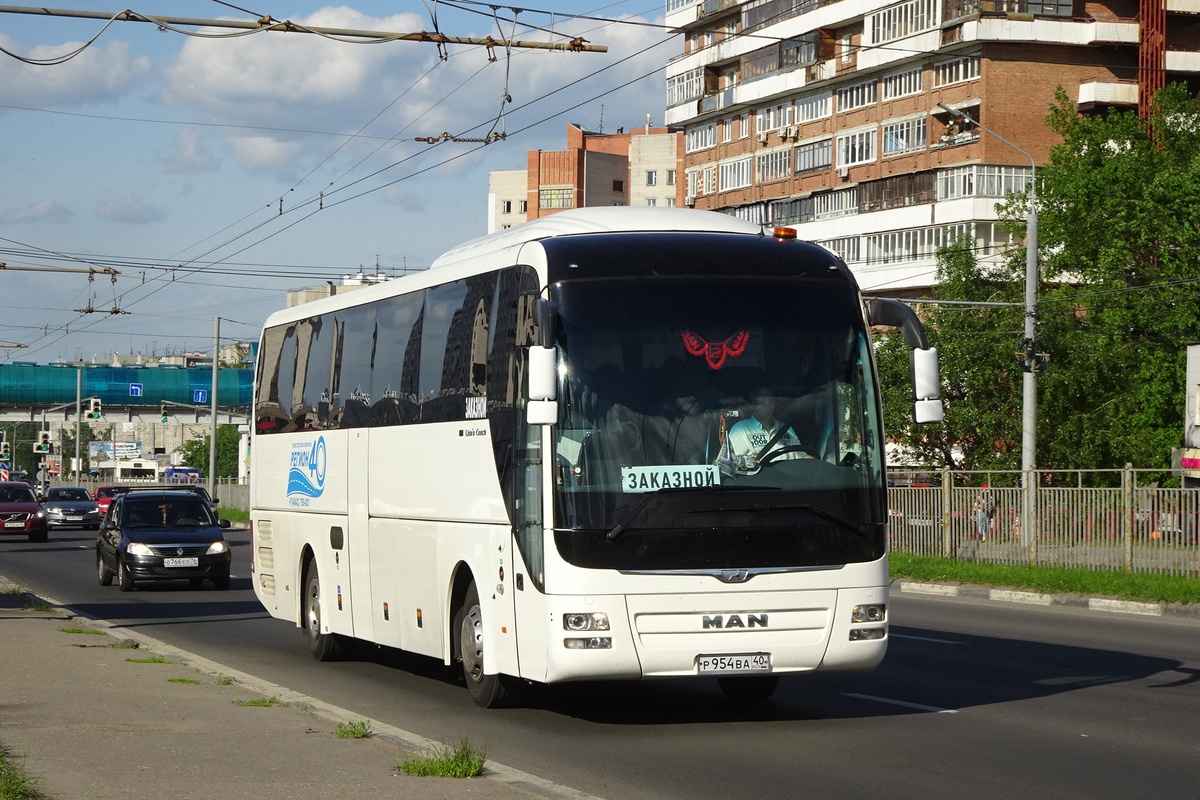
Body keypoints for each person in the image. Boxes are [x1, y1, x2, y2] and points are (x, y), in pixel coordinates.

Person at [715, 386, 809, 477]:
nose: (769, 405)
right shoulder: (741, 429)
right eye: (763, 402)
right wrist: (751, 462)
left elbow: (802, 458)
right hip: (759, 485)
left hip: (791, 483)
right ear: (752, 406)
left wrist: (816, 463)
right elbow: (731, 463)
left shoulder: (786, 428)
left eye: (771, 401)